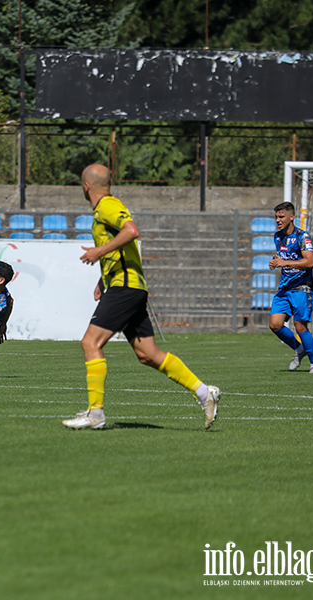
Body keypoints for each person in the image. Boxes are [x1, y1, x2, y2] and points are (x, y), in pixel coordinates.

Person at [64, 164, 220, 430]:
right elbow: (123, 247)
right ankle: (205, 392)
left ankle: (96, 414)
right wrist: (103, 279)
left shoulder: (107, 206)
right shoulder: (105, 207)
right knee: (148, 354)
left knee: (90, 343)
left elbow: (132, 231)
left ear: (86, 185)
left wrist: (98, 252)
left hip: (126, 288)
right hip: (128, 286)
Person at [268, 201, 313, 373]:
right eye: (276, 217)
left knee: (299, 326)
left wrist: (285, 262)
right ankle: (299, 349)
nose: (278, 220)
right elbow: (284, 257)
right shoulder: (277, 236)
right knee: (275, 324)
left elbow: (310, 262)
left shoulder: (302, 236)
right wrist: (276, 262)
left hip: (301, 286)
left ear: (292, 217)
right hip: (285, 287)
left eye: (281, 216)